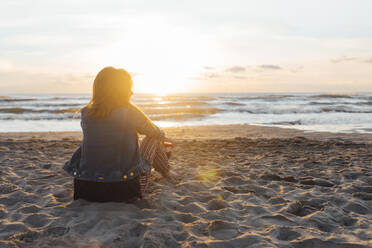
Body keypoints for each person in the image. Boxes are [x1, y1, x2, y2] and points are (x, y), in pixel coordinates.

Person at [63, 66, 173, 203]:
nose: (132, 92)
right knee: (153, 138)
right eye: (129, 87)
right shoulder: (129, 112)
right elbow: (155, 132)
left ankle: (166, 170)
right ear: (121, 90)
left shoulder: (86, 113)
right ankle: (167, 172)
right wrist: (164, 137)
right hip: (123, 190)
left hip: (85, 189)